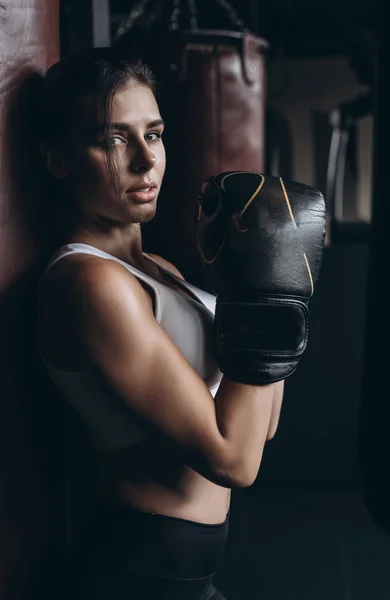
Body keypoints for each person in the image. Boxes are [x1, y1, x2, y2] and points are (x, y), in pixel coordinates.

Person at [36, 47, 286, 600]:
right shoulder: (92, 285)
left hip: (190, 570)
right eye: (113, 139)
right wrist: (264, 298)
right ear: (57, 159)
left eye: (154, 133)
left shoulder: (160, 271)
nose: (147, 162)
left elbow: (260, 426)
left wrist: (264, 279)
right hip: (142, 571)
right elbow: (235, 460)